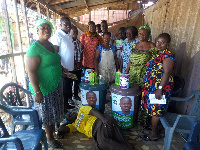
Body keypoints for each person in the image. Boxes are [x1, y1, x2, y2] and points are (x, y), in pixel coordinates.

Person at [26, 18, 63, 148]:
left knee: (53, 111)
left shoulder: (49, 44)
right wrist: (37, 91)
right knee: (47, 113)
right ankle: (50, 139)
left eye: (48, 28)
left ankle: (53, 132)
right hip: (44, 88)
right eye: (43, 28)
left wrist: (61, 69)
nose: (46, 30)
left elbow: (54, 61)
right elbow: (30, 71)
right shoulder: (34, 48)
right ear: (37, 30)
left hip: (55, 85)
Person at [58, 91, 133, 150]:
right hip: (97, 131)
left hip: (100, 122)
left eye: (71, 113)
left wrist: (104, 120)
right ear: (69, 121)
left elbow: (93, 112)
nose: (71, 114)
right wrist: (64, 126)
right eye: (69, 116)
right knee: (104, 142)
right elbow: (61, 129)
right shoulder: (74, 126)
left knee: (103, 143)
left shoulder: (82, 110)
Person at [141, 33, 176, 141]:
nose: (159, 44)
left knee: (156, 111)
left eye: (162, 42)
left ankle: (154, 134)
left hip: (159, 88)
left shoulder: (168, 55)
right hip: (152, 87)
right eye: (158, 42)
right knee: (153, 109)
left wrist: (160, 89)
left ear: (168, 44)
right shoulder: (159, 53)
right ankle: (153, 127)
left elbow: (167, 72)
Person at [51, 16, 76, 111]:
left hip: (70, 68)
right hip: (63, 69)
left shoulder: (68, 36)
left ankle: (66, 105)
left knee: (68, 88)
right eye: (65, 24)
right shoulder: (57, 36)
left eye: (69, 24)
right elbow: (55, 54)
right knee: (63, 89)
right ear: (60, 25)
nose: (68, 26)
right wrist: (60, 67)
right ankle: (62, 108)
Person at [70, 25, 83, 101]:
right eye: (73, 31)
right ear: (70, 32)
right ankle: (69, 97)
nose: (75, 33)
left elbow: (81, 53)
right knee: (70, 82)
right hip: (71, 66)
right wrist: (75, 64)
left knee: (77, 81)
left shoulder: (79, 42)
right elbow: (69, 54)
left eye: (76, 32)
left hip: (78, 66)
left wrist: (80, 63)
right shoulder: (69, 42)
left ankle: (75, 95)